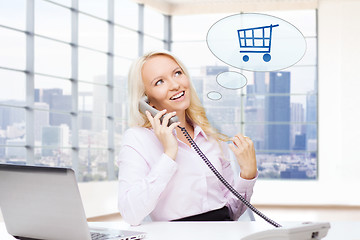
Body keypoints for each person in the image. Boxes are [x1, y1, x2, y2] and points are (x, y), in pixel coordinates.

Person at [117, 50, 258, 226]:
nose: (175, 85)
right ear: (147, 100)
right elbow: (130, 213)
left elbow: (232, 212)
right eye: (159, 82)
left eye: (177, 73)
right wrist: (169, 154)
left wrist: (247, 175)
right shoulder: (138, 139)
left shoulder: (210, 136)